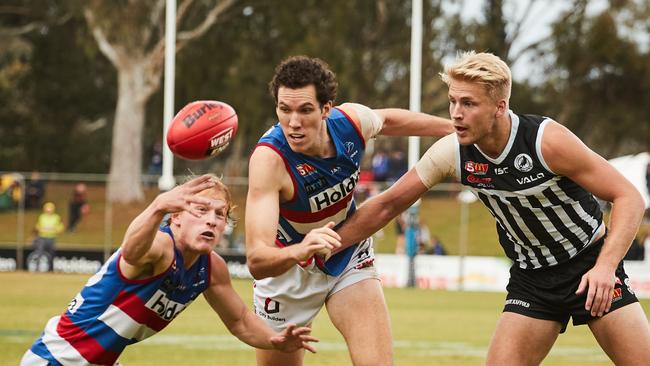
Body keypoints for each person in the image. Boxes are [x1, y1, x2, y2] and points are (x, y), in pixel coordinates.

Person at [335, 51, 650, 365]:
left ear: (500, 107)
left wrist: (606, 267)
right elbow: (387, 205)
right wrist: (320, 246)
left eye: (468, 104)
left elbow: (629, 197)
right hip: (532, 279)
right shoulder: (452, 151)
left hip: (589, 266)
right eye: (453, 101)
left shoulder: (546, 141)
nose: (455, 114)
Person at [245, 55, 453, 366]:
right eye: (284, 110)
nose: (293, 122)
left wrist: (453, 130)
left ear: (326, 108)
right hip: (287, 274)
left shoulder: (350, 123)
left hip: (347, 256)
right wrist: (302, 249)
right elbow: (257, 261)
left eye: (305, 110)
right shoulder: (269, 160)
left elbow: (389, 121)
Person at [21, 175, 318, 366]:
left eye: (220, 214)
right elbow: (133, 252)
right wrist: (156, 207)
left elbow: (240, 320)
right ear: (175, 217)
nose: (212, 221)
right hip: (58, 359)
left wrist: (274, 340)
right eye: (201, 210)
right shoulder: (161, 246)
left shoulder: (211, 268)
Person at [28, 202, 64, 272]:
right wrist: (42, 229)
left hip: (51, 238)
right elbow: (37, 226)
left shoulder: (56, 217)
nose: (49, 210)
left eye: (50, 208)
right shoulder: (42, 217)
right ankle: (37, 268)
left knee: (51, 254)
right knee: (39, 252)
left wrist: (54, 230)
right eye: (47, 208)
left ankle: (51, 269)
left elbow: (60, 227)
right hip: (42, 238)